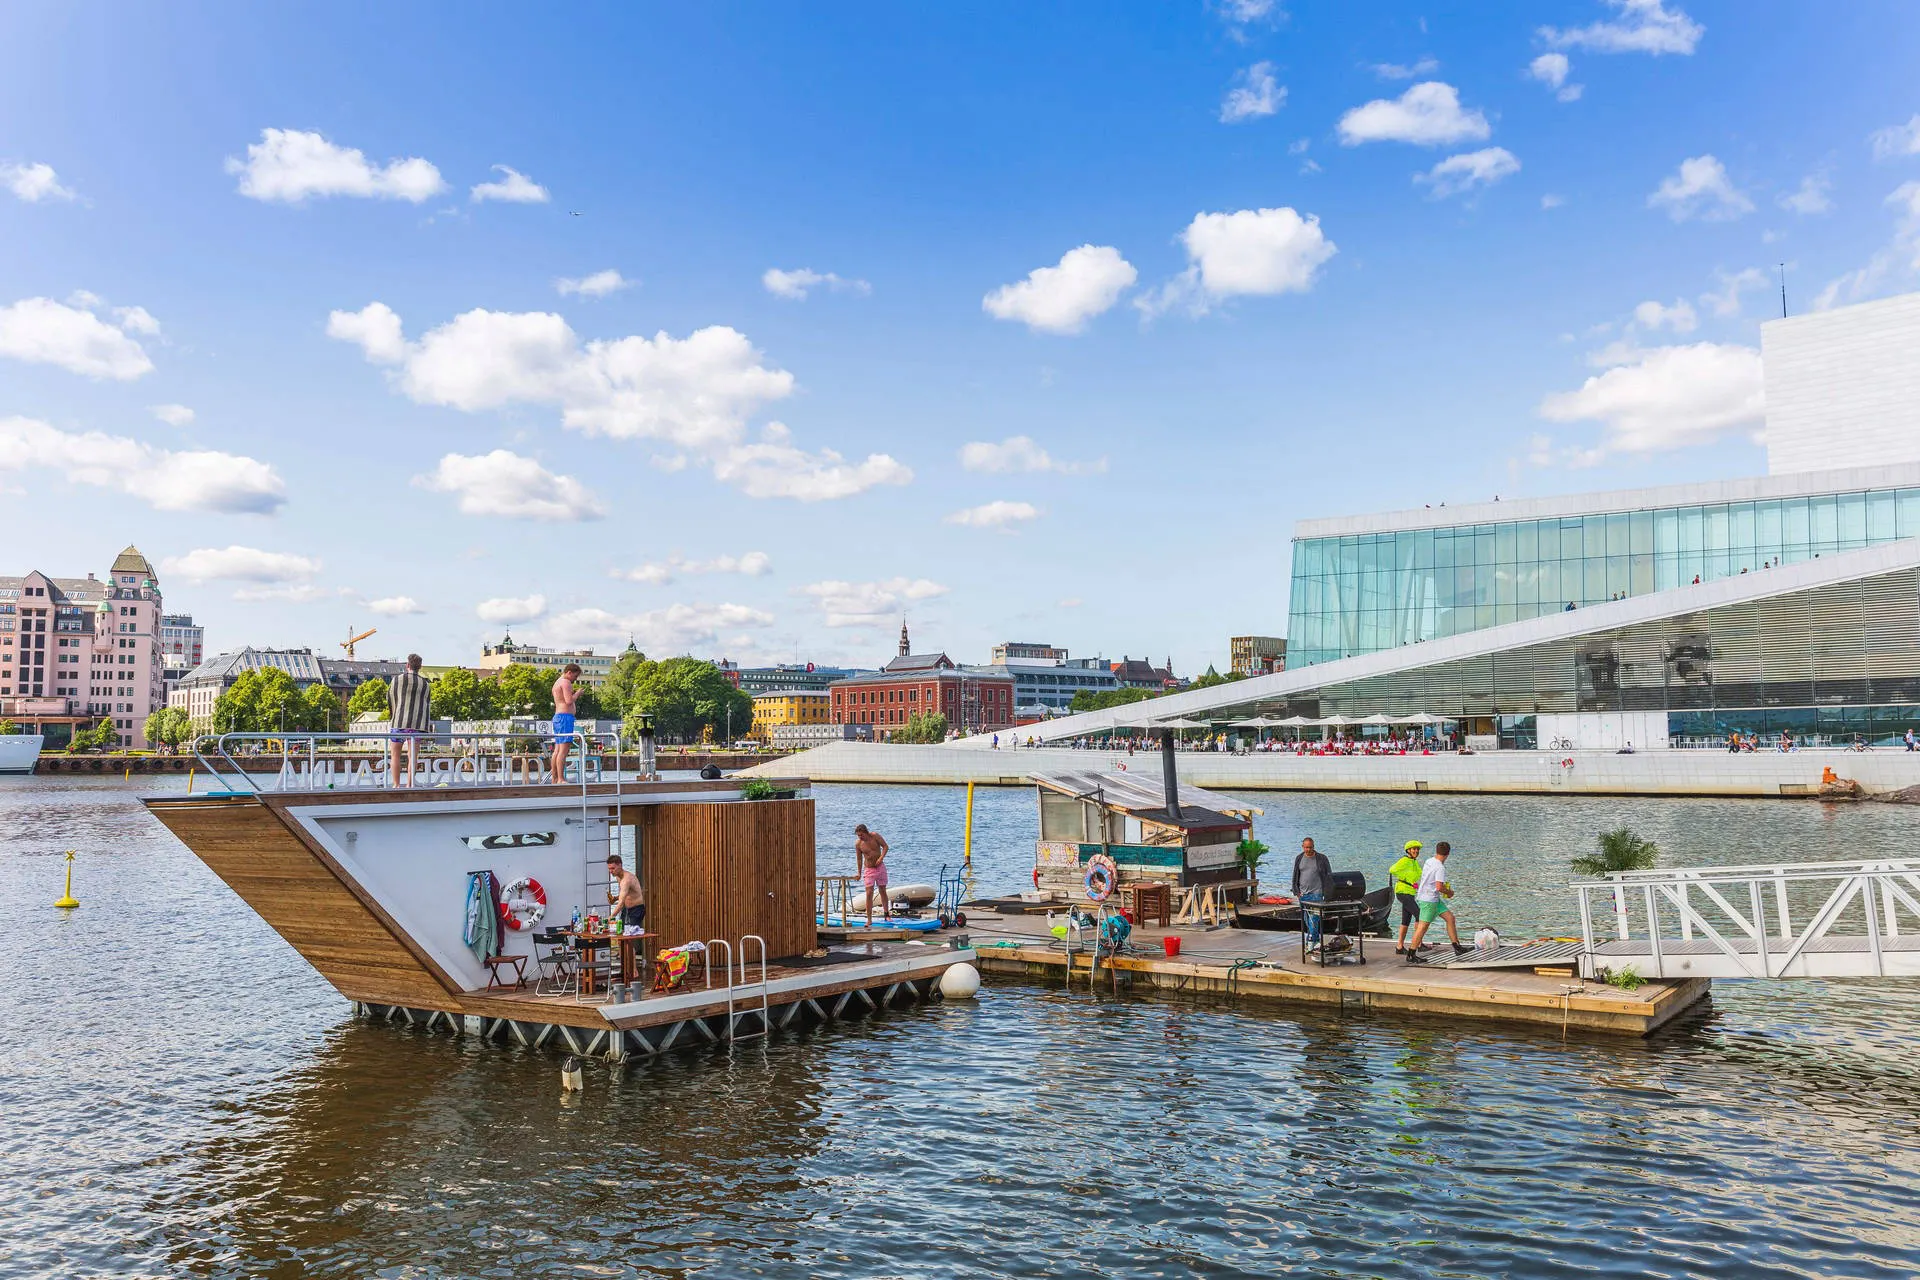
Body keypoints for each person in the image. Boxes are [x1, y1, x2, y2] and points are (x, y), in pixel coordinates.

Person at [1404, 841, 1469, 962]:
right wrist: (1449, 892)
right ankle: (1411, 954)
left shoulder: (1429, 861)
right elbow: (1439, 887)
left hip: (1432, 898)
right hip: (1429, 900)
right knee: (1422, 927)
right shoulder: (1440, 867)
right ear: (1448, 854)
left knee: (1450, 918)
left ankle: (1457, 947)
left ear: (1437, 851)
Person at [387, 653, 432, 787]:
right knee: (413, 756)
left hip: (399, 722)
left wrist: (393, 715)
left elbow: (390, 698)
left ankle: (396, 785)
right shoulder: (425, 684)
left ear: (407, 665)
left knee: (395, 755)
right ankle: (410, 784)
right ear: (420, 667)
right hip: (417, 725)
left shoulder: (397, 680)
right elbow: (427, 704)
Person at [1291, 836, 1332, 951]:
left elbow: (1329, 876)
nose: (1308, 849)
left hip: (1317, 894)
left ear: (1314, 847)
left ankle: (1310, 942)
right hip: (1303, 895)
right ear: (1302, 847)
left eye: (1310, 847)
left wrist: (1328, 892)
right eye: (1306, 847)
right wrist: (1296, 891)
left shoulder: (1322, 858)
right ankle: (1317, 941)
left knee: (1314, 918)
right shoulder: (1299, 858)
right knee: (1306, 919)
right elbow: (1295, 875)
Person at [1388, 840, 1424, 955]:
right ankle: (1418, 944)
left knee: (1406, 920)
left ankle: (1399, 947)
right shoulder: (1404, 860)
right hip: (1402, 892)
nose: (1416, 851)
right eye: (1414, 849)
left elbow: (1420, 874)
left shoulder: (1415, 862)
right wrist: (1404, 877)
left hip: (1410, 892)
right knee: (1419, 914)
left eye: (1417, 849)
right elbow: (1392, 870)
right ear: (1408, 850)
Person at [550, 663, 581, 782]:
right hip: (565, 718)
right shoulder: (565, 682)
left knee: (557, 750)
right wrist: (577, 694)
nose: (575, 679)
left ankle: (555, 778)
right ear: (569, 672)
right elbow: (569, 700)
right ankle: (561, 778)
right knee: (563, 750)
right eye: (575, 676)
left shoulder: (557, 682)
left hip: (558, 717)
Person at [855, 823, 890, 927]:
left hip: (880, 867)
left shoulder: (875, 836)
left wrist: (881, 858)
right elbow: (859, 859)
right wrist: (859, 873)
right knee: (869, 893)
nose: (860, 837)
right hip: (869, 869)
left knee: (882, 890)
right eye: (858, 835)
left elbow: (885, 846)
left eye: (861, 835)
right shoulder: (858, 844)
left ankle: (887, 914)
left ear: (866, 832)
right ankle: (869, 919)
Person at [606, 853, 645, 932]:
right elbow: (626, 893)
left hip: (636, 909)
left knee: (632, 935)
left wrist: (611, 916)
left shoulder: (626, 879)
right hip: (626, 908)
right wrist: (615, 898)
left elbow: (620, 903)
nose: (611, 871)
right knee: (621, 931)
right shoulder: (618, 877)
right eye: (609, 868)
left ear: (620, 865)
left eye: (613, 868)